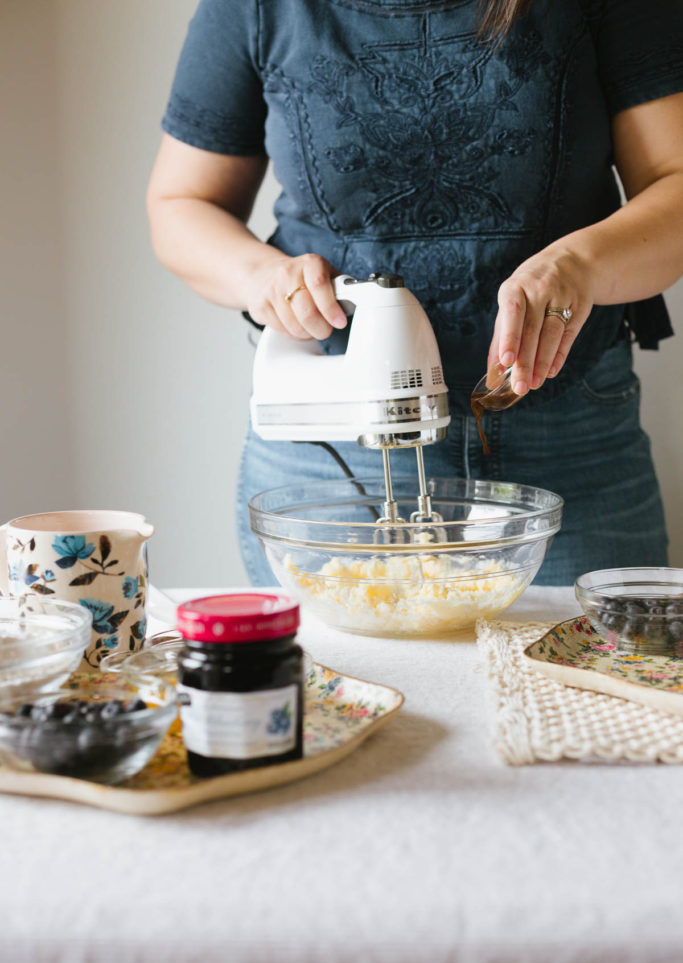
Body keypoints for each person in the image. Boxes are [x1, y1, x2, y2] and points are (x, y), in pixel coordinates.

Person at [147, 0, 683, 585]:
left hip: (567, 439)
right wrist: (261, 279)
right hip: (336, 447)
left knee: (590, 667)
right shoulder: (253, 9)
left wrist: (578, 265)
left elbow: (674, 184)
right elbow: (180, 205)